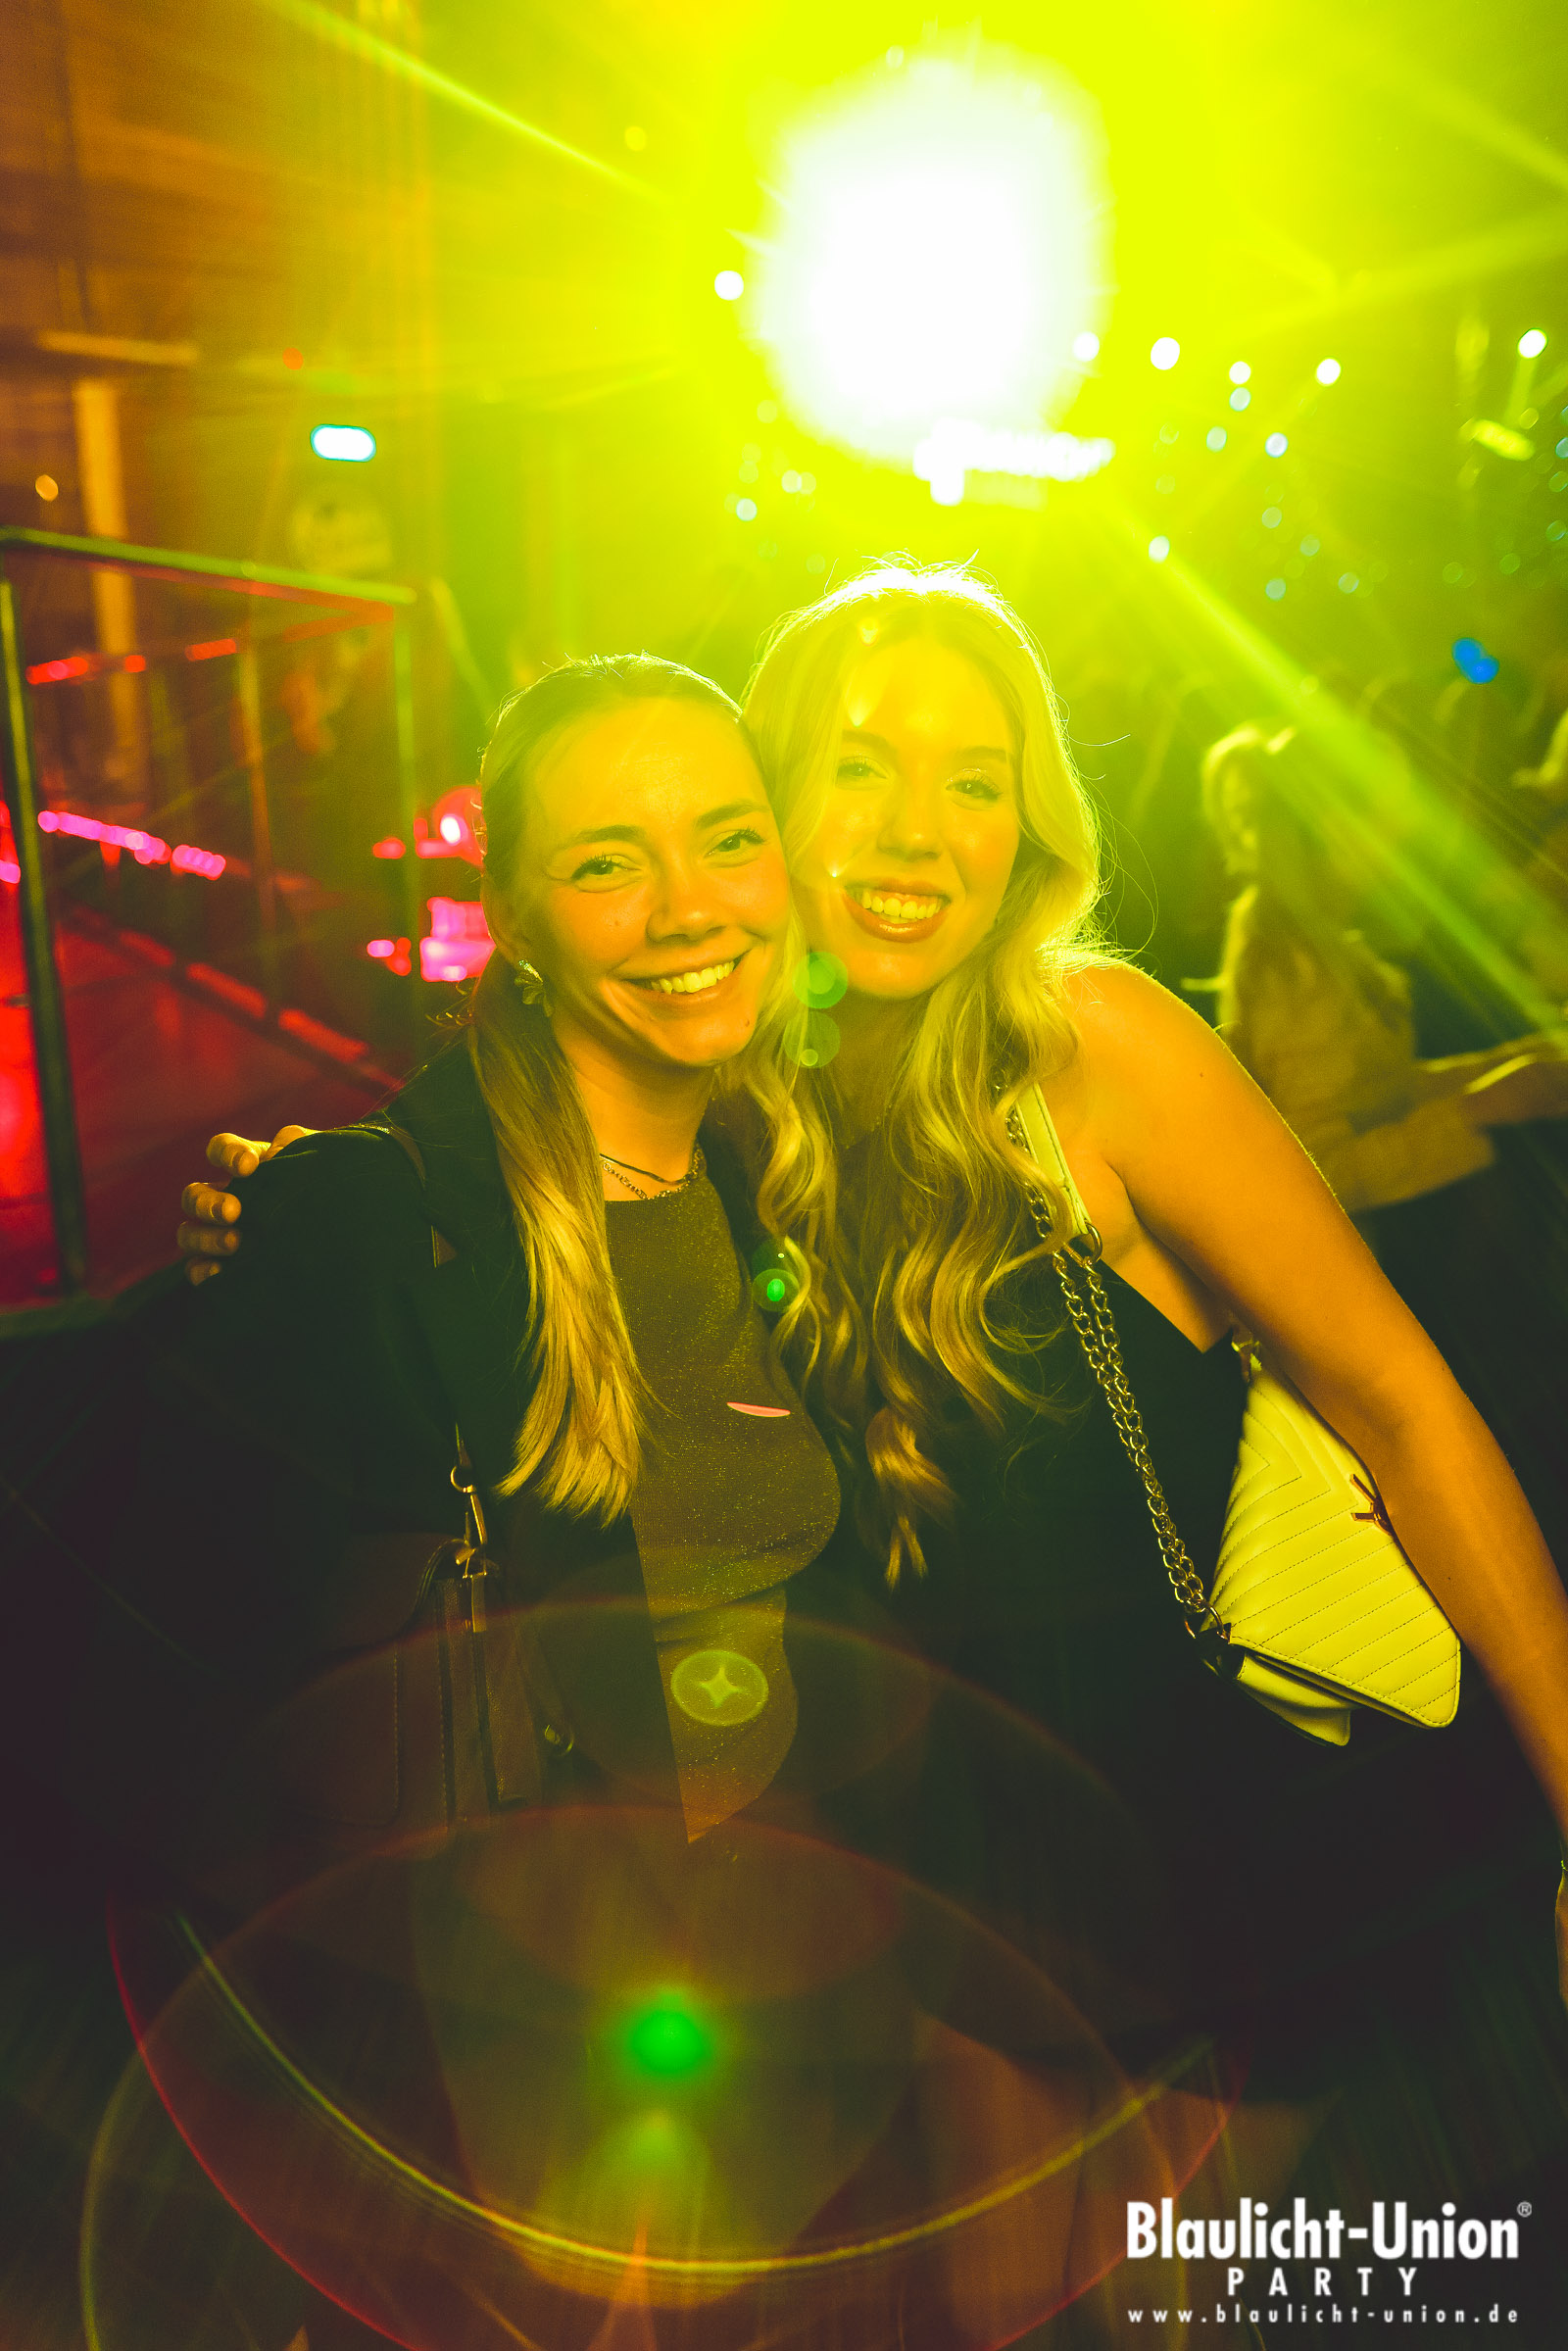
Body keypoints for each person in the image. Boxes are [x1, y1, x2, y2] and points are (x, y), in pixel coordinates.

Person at [1200, 720, 1568, 1217]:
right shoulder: (1292, 969)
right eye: (1391, 819)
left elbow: (1374, 1095)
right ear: (1335, 828)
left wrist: (1513, 1066)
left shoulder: (1306, 930)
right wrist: (1479, 1107)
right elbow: (1322, 1174)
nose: (1407, 831)